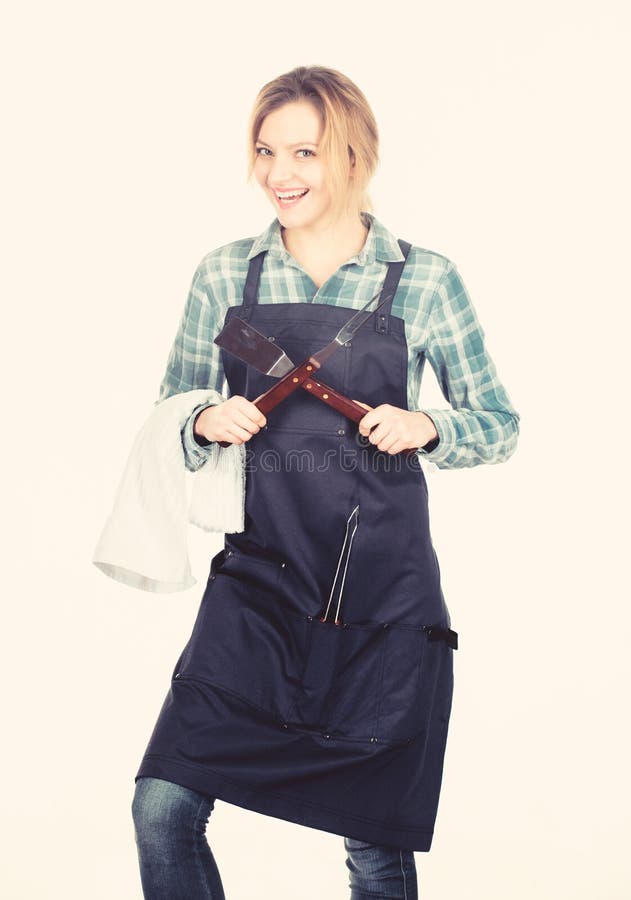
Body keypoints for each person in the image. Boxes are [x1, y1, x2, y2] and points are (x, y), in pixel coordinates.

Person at [130, 65, 520, 899]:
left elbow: (498, 421)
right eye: (266, 151)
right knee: (161, 806)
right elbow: (172, 404)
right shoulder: (224, 275)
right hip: (257, 588)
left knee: (373, 845)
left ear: (353, 157)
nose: (280, 173)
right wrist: (204, 418)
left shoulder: (423, 279)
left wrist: (431, 426)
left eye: (304, 151)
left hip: (381, 599)